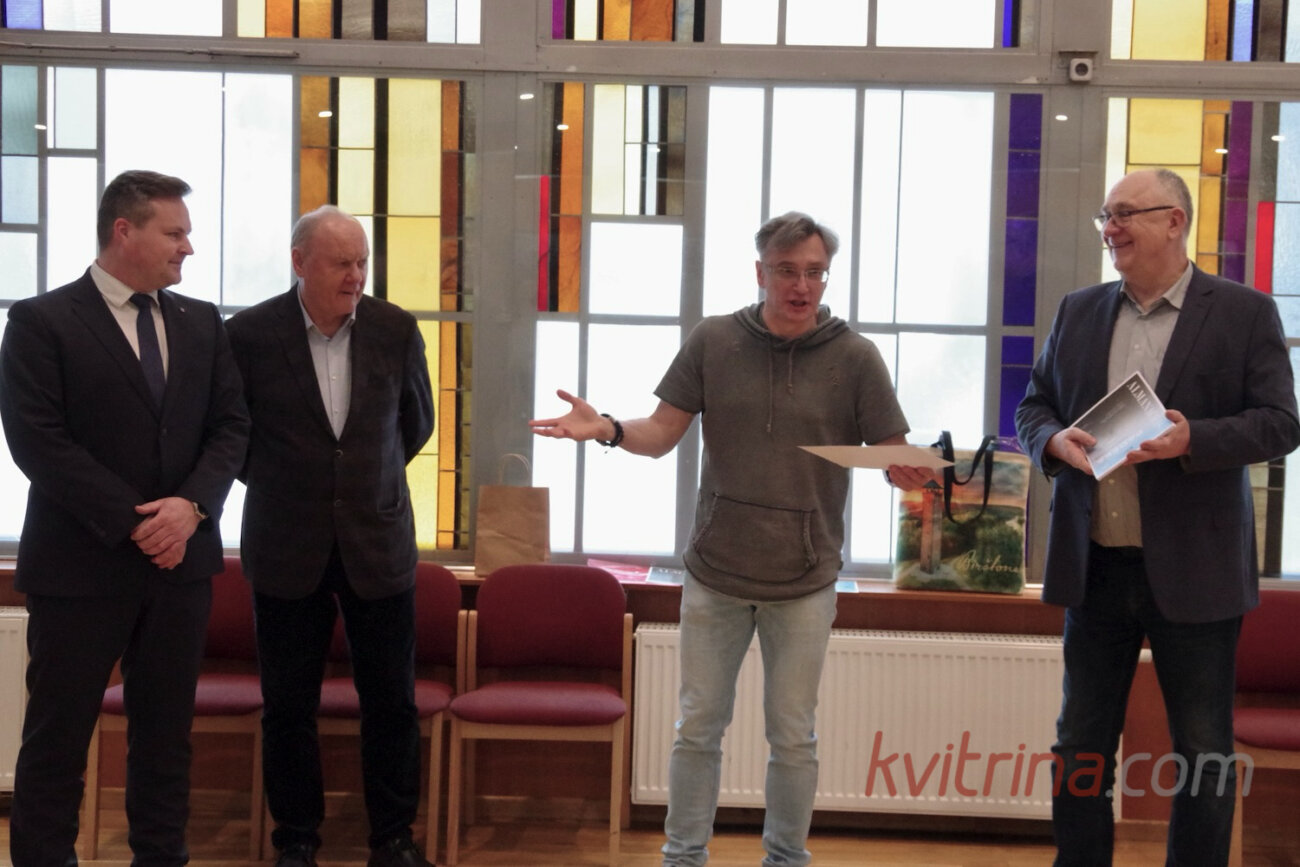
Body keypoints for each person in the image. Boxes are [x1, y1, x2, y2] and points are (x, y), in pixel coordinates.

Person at [530, 211, 934, 867]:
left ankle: (785, 858)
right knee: (697, 728)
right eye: (787, 271)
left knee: (793, 736)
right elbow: (661, 433)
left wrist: (910, 469)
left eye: (814, 273)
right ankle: (682, 857)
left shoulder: (856, 357)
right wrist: (605, 427)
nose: (801, 286)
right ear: (760, 273)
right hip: (716, 574)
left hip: (805, 580)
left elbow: (891, 450)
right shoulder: (715, 340)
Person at [1015, 168, 1300, 866]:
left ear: (1175, 221)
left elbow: (1280, 423)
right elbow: (1033, 406)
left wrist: (1193, 438)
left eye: (1125, 214)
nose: (1110, 229)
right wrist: (1052, 441)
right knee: (1079, 747)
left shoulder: (1244, 312)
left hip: (1198, 573)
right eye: (1105, 216)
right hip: (1096, 568)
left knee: (1202, 752)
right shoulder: (1078, 310)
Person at [0, 169, 250, 866]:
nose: (188, 247)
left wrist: (191, 508)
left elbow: (232, 426)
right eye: (175, 233)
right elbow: (38, 442)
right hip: (79, 568)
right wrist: (142, 522)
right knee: (57, 739)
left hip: (181, 568)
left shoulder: (201, 322)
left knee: (165, 739)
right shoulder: (42, 321)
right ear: (124, 231)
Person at [225, 205, 435, 867]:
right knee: (288, 706)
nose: (356, 276)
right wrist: (295, 485)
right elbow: (233, 436)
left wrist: (361, 482)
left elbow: (416, 424)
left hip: (378, 542)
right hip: (285, 544)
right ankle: (296, 840)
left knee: (392, 702)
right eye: (342, 263)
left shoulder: (395, 329)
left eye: (362, 262)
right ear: (299, 262)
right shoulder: (249, 335)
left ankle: (393, 839)